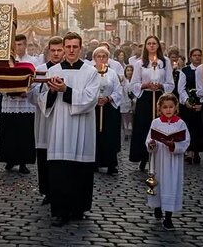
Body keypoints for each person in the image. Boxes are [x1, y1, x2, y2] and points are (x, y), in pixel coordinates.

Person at [39, 32, 99, 227]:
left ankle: (78, 208)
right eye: (68, 47)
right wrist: (51, 93)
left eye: (75, 47)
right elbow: (42, 101)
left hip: (82, 128)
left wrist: (66, 91)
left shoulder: (90, 72)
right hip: (59, 127)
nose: (71, 50)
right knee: (60, 170)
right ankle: (60, 211)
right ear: (63, 48)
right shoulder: (53, 70)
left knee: (79, 169)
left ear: (80, 48)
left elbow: (91, 99)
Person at [129, 36, 175, 171]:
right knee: (144, 127)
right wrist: (144, 85)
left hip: (160, 98)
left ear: (158, 46)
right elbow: (134, 83)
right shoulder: (140, 63)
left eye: (154, 43)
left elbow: (170, 83)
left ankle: (160, 156)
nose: (152, 46)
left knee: (160, 127)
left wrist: (161, 86)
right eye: (149, 43)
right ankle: (144, 157)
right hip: (145, 98)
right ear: (145, 46)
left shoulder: (165, 62)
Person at [146, 93, 190, 231]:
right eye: (165, 107)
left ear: (175, 108)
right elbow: (148, 139)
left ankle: (168, 217)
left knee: (171, 186)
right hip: (159, 159)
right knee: (158, 185)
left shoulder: (180, 123)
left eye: (171, 107)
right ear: (160, 109)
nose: (168, 110)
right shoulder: (156, 123)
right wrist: (151, 144)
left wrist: (174, 144)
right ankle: (157, 206)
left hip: (173, 162)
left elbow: (186, 141)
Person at [28, 36, 64, 205]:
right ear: (48, 51)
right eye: (53, 50)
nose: (56, 54)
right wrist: (46, 94)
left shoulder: (67, 70)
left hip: (63, 119)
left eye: (59, 50)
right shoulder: (40, 69)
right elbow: (32, 94)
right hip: (44, 119)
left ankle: (59, 189)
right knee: (44, 155)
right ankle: (47, 191)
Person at [0, 34, 37, 174]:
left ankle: (23, 162)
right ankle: (10, 159)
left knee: (24, 134)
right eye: (15, 45)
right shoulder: (7, 61)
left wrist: (27, 91)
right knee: (8, 133)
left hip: (25, 104)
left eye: (20, 44)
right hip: (9, 103)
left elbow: (36, 81)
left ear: (25, 45)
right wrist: (7, 91)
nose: (18, 47)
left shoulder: (33, 61)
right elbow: (0, 80)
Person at [92, 47, 123, 175]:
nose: (101, 59)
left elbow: (118, 90)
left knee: (109, 136)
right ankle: (94, 162)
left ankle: (111, 164)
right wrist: (95, 99)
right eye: (98, 56)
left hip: (109, 108)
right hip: (94, 108)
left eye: (104, 56)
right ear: (94, 59)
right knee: (95, 135)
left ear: (107, 58)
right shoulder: (90, 72)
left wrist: (108, 98)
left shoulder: (112, 73)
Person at [178, 49, 203, 164]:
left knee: (199, 128)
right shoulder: (185, 71)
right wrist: (186, 101)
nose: (197, 58)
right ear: (190, 57)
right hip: (189, 102)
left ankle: (197, 151)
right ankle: (189, 152)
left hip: (202, 102)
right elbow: (181, 88)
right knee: (188, 127)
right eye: (195, 55)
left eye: (199, 55)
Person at [120, 65, 135, 141]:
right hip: (124, 101)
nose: (130, 72)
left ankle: (131, 132)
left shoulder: (135, 81)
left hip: (133, 102)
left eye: (131, 70)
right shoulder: (123, 81)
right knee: (125, 118)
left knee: (131, 118)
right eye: (128, 70)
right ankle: (126, 133)